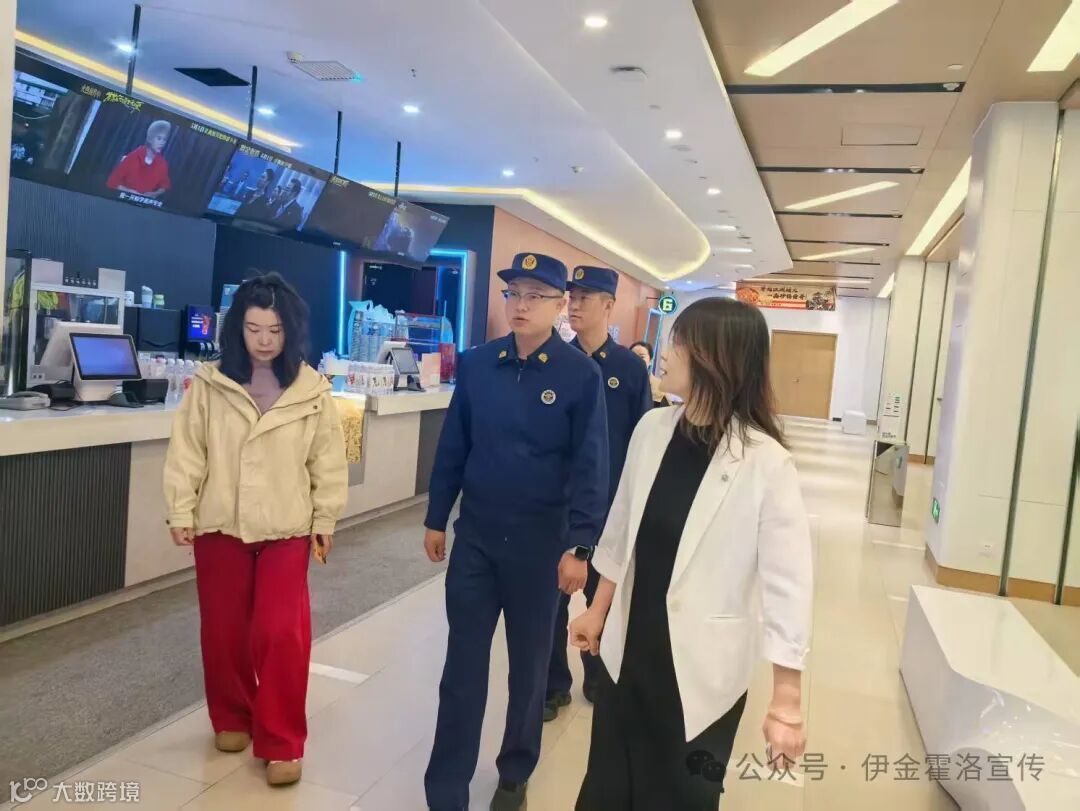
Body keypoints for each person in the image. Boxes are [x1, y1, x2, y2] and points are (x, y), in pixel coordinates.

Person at [571, 296, 812, 810]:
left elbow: (788, 584)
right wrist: (597, 609)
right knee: (607, 789)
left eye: (677, 342)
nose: (664, 352)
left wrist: (787, 700)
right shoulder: (652, 430)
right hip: (629, 650)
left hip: (699, 669)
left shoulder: (765, 463)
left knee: (679, 796)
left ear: (713, 357)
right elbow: (622, 530)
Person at [423, 252, 609, 811]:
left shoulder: (580, 375)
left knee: (529, 671)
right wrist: (436, 516)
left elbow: (591, 466)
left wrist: (580, 545)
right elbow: (454, 445)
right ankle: (446, 787)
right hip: (477, 540)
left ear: (559, 305)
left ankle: (514, 773)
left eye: (535, 296)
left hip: (540, 548)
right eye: (513, 294)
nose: (521, 305)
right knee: (462, 667)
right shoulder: (479, 365)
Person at [163, 273, 348, 787]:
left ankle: (282, 739)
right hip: (220, 523)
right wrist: (181, 509)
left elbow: (327, 460)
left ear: (291, 330)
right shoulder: (210, 383)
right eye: (254, 329)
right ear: (236, 330)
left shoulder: (311, 389)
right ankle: (232, 714)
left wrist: (325, 518)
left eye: (275, 330)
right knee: (224, 630)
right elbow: (188, 450)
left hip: (286, 526)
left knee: (280, 632)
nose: (264, 340)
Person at [545, 266, 652, 723]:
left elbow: (643, 440)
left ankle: (596, 673)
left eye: (585, 298)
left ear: (609, 306)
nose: (575, 305)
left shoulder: (629, 368)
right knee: (550, 603)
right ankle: (552, 683)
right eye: (571, 297)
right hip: (558, 507)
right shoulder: (556, 362)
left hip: (609, 508)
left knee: (600, 597)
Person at [106, 119, 172, 198]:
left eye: (164, 140)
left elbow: (164, 185)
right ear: (150, 138)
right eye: (159, 138)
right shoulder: (133, 157)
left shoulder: (163, 164)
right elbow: (112, 182)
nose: (162, 143)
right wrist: (131, 193)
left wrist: (154, 194)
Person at [630, 340, 669, 407]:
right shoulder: (621, 383)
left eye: (642, 357)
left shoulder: (660, 387)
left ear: (650, 360)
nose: (637, 360)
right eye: (633, 356)